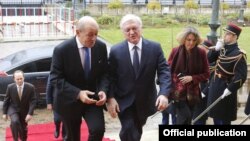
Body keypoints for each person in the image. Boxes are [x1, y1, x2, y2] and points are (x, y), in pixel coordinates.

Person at [107, 14, 172, 141]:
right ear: (123, 32)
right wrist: (110, 97)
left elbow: (164, 71)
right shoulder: (116, 51)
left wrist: (164, 94)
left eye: (134, 28)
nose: (131, 32)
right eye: (127, 30)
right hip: (124, 101)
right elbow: (110, 76)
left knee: (136, 130)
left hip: (146, 101)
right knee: (129, 130)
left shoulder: (155, 48)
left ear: (141, 28)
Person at [49, 16, 109, 141]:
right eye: (90, 35)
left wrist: (103, 90)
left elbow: (104, 73)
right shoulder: (61, 50)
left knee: (98, 130)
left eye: (96, 34)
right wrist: (78, 93)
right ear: (77, 32)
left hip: (93, 99)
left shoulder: (101, 47)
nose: (94, 39)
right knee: (72, 137)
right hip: (69, 100)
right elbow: (55, 79)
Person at [167, 26, 210, 125]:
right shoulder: (175, 51)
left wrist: (192, 78)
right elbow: (168, 71)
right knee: (185, 116)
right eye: (188, 40)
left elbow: (207, 74)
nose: (191, 43)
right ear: (183, 39)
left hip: (193, 94)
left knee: (188, 120)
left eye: (194, 40)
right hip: (177, 93)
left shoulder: (201, 53)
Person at [207, 23, 247, 125]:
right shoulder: (222, 49)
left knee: (224, 120)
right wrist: (216, 49)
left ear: (235, 37)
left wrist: (230, 89)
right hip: (215, 86)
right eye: (225, 33)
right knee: (216, 118)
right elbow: (208, 60)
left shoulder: (239, 54)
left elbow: (241, 76)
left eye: (228, 34)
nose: (225, 35)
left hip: (226, 88)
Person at [2, 70, 36, 141]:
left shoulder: (30, 87)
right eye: (17, 79)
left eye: (21, 78)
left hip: (24, 110)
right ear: (14, 79)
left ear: (24, 78)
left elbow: (33, 101)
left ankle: (23, 138)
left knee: (23, 129)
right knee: (14, 121)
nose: (20, 80)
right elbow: (6, 100)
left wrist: (30, 113)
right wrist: (4, 113)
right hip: (13, 108)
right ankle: (16, 139)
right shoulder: (10, 87)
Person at [192, 39, 215, 125]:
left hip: (203, 95)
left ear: (207, 50)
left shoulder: (212, 64)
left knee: (200, 118)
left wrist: (203, 93)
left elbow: (212, 81)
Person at [46, 75, 66, 139]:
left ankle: (64, 135)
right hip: (56, 100)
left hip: (67, 100)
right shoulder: (53, 73)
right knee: (57, 119)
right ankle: (57, 128)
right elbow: (49, 88)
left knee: (66, 119)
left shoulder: (69, 70)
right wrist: (49, 102)